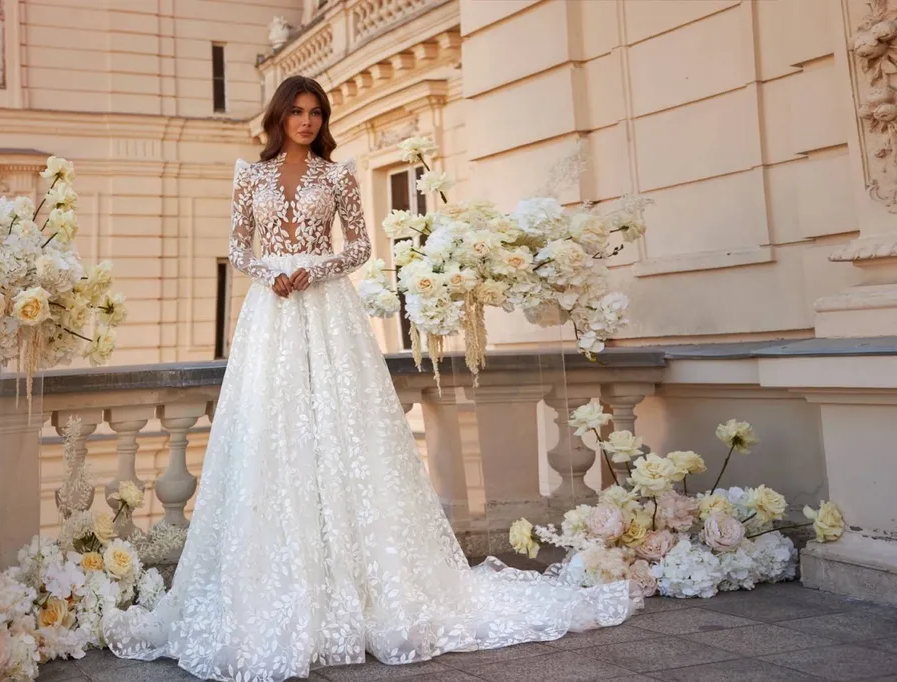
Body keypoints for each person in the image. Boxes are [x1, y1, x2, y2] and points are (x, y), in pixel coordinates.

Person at [102, 75, 637, 682]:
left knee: (343, 432)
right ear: (279, 117)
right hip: (271, 317)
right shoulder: (249, 176)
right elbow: (239, 247)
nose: (307, 121)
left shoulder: (338, 176)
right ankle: (280, 582)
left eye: (315, 112)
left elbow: (358, 246)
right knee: (273, 434)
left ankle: (361, 586)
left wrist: (314, 268)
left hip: (328, 310)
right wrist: (271, 273)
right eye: (297, 111)